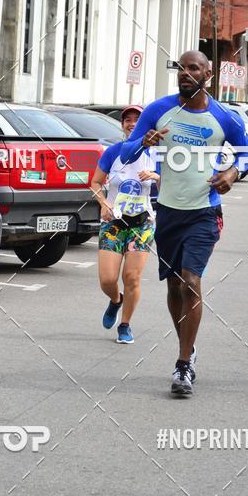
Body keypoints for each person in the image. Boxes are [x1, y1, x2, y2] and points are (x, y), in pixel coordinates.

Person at [119, 49, 248, 396]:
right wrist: (141, 142)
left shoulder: (224, 116)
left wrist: (232, 173)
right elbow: (125, 153)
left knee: (191, 281)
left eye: (193, 68)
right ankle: (188, 350)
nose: (185, 73)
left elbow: (247, 151)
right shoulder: (159, 109)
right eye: (181, 67)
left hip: (204, 211)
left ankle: (182, 366)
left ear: (208, 74)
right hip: (167, 212)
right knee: (174, 287)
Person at [90, 105, 160, 345]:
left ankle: (125, 325)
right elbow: (96, 182)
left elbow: (172, 187)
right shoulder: (114, 152)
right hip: (114, 223)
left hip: (142, 223)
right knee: (108, 280)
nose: (131, 123)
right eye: (127, 120)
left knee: (132, 277)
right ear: (122, 125)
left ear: (146, 126)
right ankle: (115, 300)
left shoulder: (157, 155)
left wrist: (157, 177)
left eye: (137, 120)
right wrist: (103, 203)